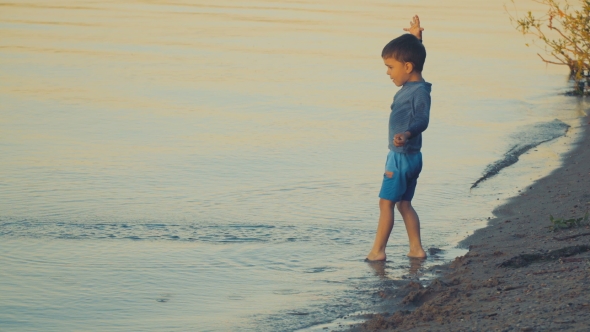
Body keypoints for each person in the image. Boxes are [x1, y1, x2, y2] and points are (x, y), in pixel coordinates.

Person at [366, 15, 430, 261]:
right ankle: (416, 249)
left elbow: (423, 120)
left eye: (390, 67)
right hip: (412, 157)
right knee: (404, 204)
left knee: (386, 203)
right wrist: (416, 37)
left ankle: (377, 252)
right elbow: (416, 56)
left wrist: (406, 133)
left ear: (407, 67)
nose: (387, 73)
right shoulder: (418, 85)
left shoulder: (419, 94)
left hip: (401, 157)